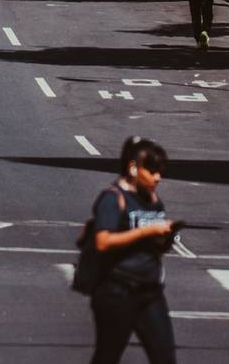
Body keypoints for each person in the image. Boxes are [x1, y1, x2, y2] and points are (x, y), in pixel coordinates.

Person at [84, 137, 179, 364]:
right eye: (152, 170)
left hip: (150, 291)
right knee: (107, 356)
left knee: (165, 357)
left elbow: (153, 243)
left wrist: (165, 238)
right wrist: (147, 232)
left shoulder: (153, 200)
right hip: (117, 290)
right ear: (133, 168)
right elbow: (102, 242)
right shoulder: (113, 198)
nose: (158, 177)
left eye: (160, 171)